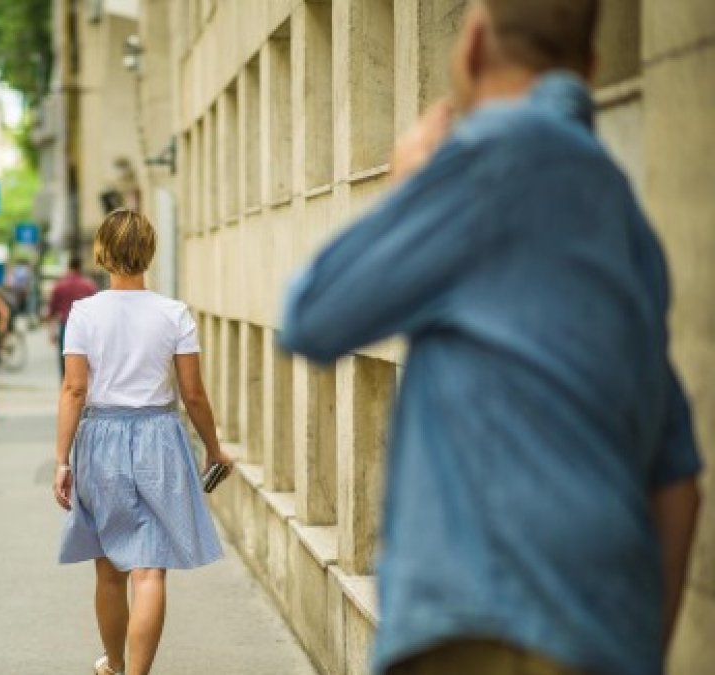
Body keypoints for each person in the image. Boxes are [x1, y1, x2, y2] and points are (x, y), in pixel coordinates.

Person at [280, 2, 703, 674]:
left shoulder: (490, 158)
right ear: (589, 68)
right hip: (606, 636)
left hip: (485, 626)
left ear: (473, 43)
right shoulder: (622, 212)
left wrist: (408, 185)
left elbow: (313, 312)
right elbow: (678, 477)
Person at [54, 209, 233, 675]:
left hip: (100, 439)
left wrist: (61, 460)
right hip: (160, 439)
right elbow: (193, 394)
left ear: (102, 252)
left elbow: (74, 390)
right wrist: (214, 450)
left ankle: (113, 663)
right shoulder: (174, 314)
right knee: (150, 568)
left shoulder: (84, 314)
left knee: (108, 568)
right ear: (149, 251)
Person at [47, 254, 98, 377]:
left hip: (66, 326)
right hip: (86, 328)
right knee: (86, 362)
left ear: (69, 267)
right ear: (80, 267)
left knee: (65, 360)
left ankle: (65, 388)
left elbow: (52, 312)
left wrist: (51, 333)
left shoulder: (60, 286)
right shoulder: (89, 286)